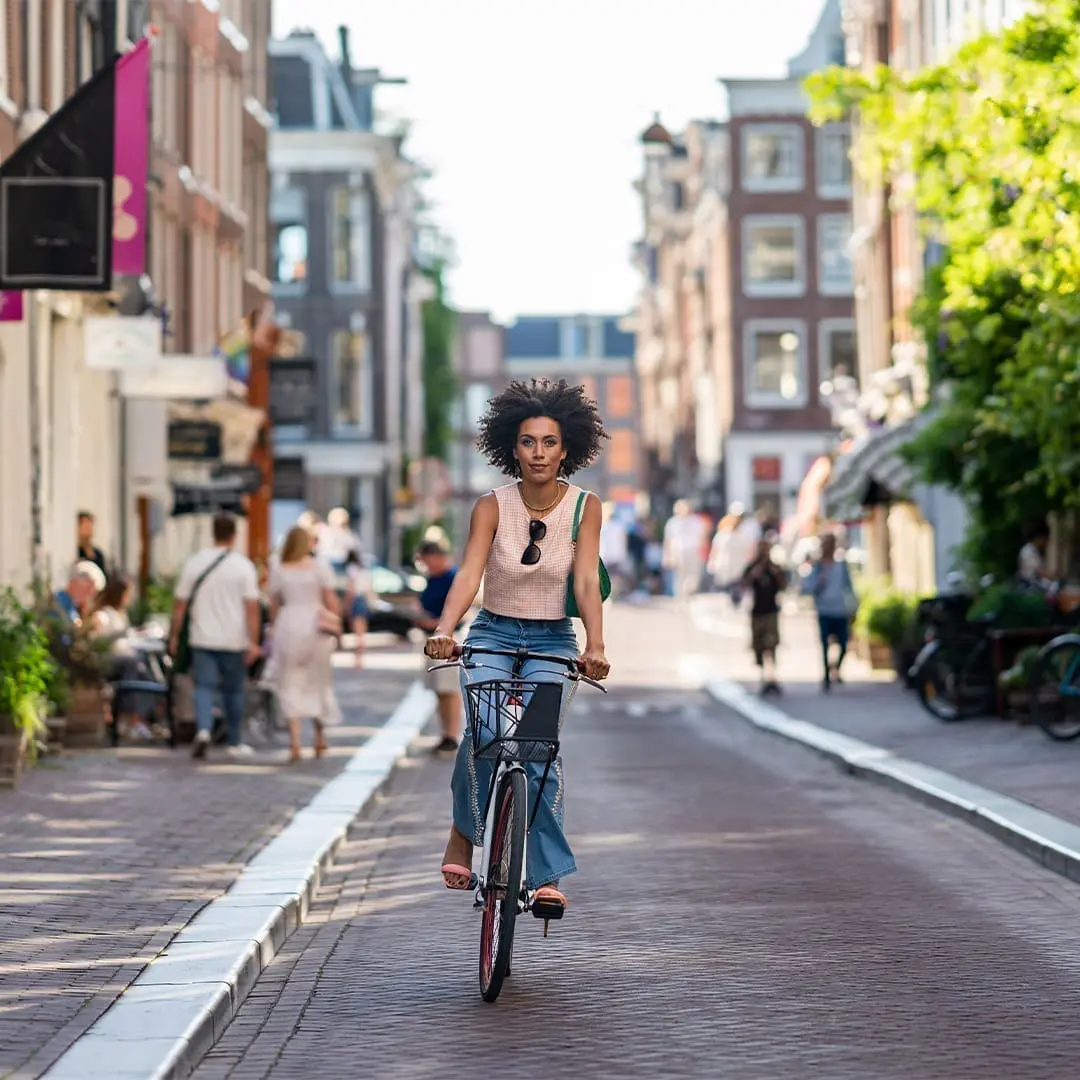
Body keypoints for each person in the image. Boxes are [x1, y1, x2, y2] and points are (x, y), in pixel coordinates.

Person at [424, 378, 610, 920]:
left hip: (553, 636)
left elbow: (584, 583)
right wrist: (444, 628)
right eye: (528, 442)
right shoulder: (491, 507)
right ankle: (463, 834)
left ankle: (546, 875)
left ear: (566, 449)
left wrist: (595, 643)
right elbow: (468, 576)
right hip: (493, 632)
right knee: (484, 733)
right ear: (513, 448)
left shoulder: (584, 507)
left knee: (537, 747)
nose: (539, 453)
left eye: (549, 443)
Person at [170, 513, 262, 759]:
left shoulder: (196, 562)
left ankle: (203, 730)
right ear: (234, 535)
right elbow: (252, 607)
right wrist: (253, 641)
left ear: (213, 532)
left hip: (202, 637)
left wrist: (175, 636)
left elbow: (179, 605)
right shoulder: (243, 566)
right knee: (233, 691)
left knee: (204, 687)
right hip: (234, 639)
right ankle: (233, 741)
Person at [265, 526, 341, 763]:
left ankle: (295, 742)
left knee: (290, 681)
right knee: (318, 681)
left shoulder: (278, 568)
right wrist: (337, 626)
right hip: (315, 624)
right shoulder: (320, 567)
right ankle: (319, 737)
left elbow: (273, 603)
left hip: (288, 625)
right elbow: (331, 601)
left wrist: (272, 627)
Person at [88, 573, 155, 740]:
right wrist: (120, 634)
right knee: (134, 666)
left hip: (124, 657)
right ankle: (131, 718)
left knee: (146, 670)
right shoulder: (104, 614)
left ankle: (139, 717)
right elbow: (98, 637)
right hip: (110, 661)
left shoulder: (121, 614)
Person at [413, 539, 463, 754]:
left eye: (427, 561)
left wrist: (435, 624)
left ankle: (451, 735)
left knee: (449, 689)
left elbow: (459, 609)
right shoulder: (432, 578)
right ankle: (446, 734)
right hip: (431, 638)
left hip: (447, 638)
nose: (426, 566)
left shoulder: (453, 577)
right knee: (439, 690)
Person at [803, 533, 857, 692]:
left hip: (840, 610)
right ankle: (826, 675)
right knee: (825, 644)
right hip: (824, 610)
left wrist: (853, 607)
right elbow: (807, 588)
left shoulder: (841, 565)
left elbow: (849, 587)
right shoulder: (817, 567)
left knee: (844, 643)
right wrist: (818, 582)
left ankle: (836, 668)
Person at [741, 537, 786, 695]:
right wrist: (754, 575)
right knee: (758, 645)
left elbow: (783, 585)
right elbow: (743, 585)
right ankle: (762, 676)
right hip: (757, 611)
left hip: (771, 610)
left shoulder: (774, 567)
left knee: (771, 643)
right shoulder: (752, 566)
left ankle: (772, 676)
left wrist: (776, 573)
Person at [663, 500, 707, 600]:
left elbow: (702, 537)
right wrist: (667, 556)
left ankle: (689, 591)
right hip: (678, 552)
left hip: (693, 551)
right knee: (680, 576)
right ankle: (681, 596)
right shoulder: (672, 523)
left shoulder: (697, 520)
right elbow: (668, 541)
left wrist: (703, 552)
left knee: (695, 574)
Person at [342, 548, 374, 668]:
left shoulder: (351, 569)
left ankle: (358, 659)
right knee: (362, 632)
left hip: (356, 599)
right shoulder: (364, 570)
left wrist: (347, 605)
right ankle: (360, 658)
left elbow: (350, 589)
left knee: (357, 632)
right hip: (364, 600)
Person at [76, 511, 108, 577]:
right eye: (85, 525)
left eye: (90, 524)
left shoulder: (97, 553)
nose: (89, 528)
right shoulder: (75, 551)